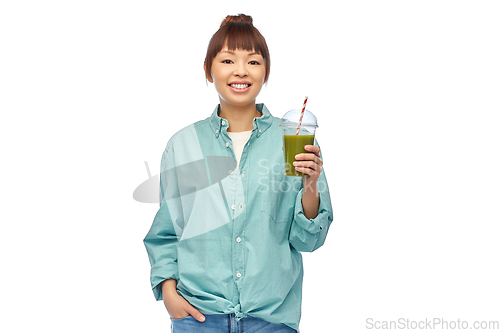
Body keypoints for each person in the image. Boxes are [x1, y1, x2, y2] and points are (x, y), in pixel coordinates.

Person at [143, 14, 333, 333]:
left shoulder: (294, 140)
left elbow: (307, 241)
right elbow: (166, 231)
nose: (241, 71)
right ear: (209, 70)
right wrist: (168, 292)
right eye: (228, 60)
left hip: (271, 321)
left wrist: (310, 186)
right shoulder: (184, 145)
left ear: (265, 72)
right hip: (199, 318)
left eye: (253, 61)